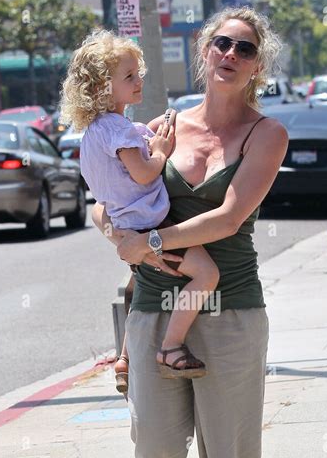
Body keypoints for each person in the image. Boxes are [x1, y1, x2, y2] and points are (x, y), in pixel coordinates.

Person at [92, 7, 288, 458]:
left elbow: (229, 218)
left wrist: (149, 243)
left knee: (228, 450)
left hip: (231, 308)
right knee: (152, 446)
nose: (231, 54)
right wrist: (113, 230)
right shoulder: (164, 126)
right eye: (222, 43)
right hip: (154, 306)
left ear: (258, 65)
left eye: (245, 49)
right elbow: (111, 197)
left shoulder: (267, 135)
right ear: (204, 52)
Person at [59, 29, 219, 396]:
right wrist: (160, 150)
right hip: (151, 225)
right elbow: (144, 172)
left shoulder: (95, 132)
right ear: (101, 88)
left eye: (138, 72)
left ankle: (125, 358)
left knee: (143, 285)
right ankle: (172, 346)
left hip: (126, 224)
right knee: (206, 275)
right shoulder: (119, 130)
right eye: (129, 76)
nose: (138, 80)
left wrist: (148, 134)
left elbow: (119, 166)